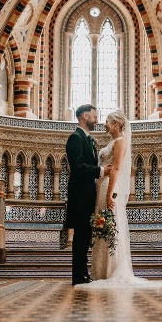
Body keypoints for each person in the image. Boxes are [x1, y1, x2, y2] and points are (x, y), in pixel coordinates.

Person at [82, 110, 162, 289]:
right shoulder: (113, 141)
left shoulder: (120, 142)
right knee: (103, 225)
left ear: (116, 124)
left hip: (109, 187)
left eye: (108, 121)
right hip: (102, 186)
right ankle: (101, 271)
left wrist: (110, 194)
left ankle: (110, 271)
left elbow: (116, 169)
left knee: (110, 225)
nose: (104, 124)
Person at [65, 104, 108, 286]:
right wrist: (101, 170)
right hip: (80, 196)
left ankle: (83, 274)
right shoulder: (75, 138)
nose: (96, 120)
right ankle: (78, 276)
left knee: (85, 236)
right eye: (94, 116)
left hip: (88, 196)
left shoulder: (88, 139)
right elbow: (78, 167)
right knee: (80, 238)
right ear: (84, 117)